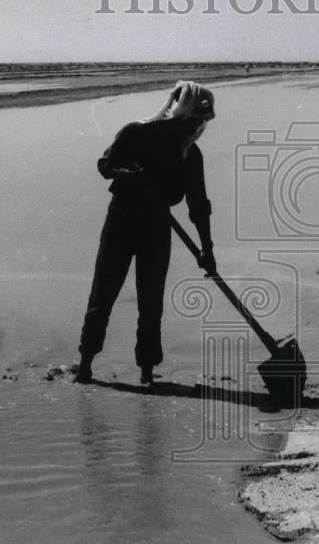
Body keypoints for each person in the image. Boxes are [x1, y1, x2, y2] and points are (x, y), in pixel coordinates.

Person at [74, 80, 217, 386]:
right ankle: (85, 364)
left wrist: (207, 250)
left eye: (202, 122)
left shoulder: (190, 154)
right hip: (121, 221)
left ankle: (147, 372)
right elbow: (104, 164)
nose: (199, 126)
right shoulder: (135, 132)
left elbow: (198, 205)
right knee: (104, 293)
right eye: (197, 120)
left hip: (157, 224)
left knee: (151, 301)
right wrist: (125, 174)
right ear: (183, 113)